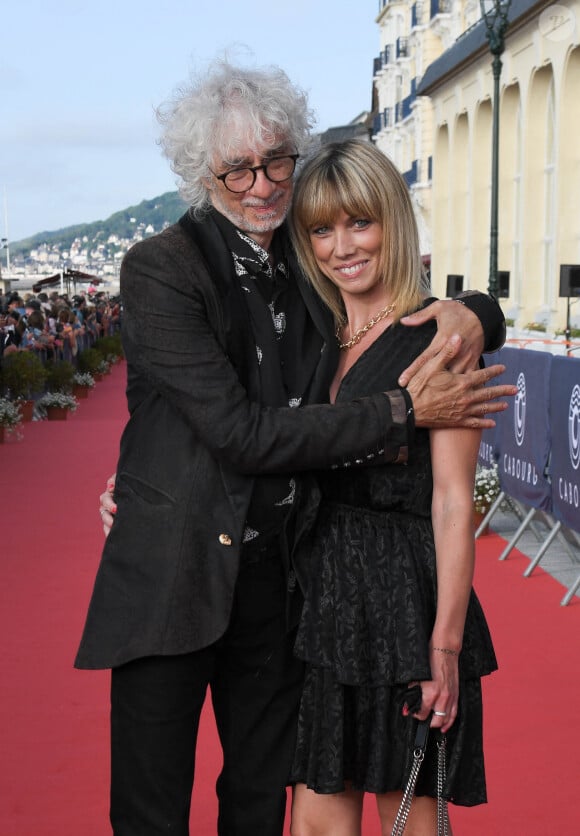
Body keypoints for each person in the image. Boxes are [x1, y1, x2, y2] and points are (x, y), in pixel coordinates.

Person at [77, 59, 514, 836]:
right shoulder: (163, 269)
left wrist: (477, 313)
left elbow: (384, 293)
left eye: (276, 161)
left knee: (264, 805)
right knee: (154, 814)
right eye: (237, 168)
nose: (261, 184)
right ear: (200, 172)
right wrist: (401, 412)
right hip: (174, 572)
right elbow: (238, 431)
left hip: (294, 591)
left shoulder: (305, 272)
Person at [286, 140, 497, 836]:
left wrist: (444, 644)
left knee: (407, 818)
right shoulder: (318, 337)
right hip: (322, 599)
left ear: (393, 223)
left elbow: (451, 502)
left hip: (405, 602)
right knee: (317, 817)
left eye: (359, 223)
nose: (341, 246)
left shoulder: (440, 336)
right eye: (322, 228)